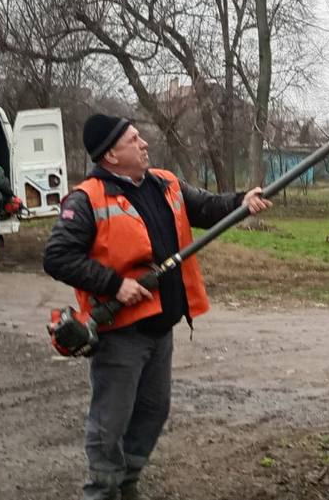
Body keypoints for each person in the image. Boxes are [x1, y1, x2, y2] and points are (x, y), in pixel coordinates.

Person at [42, 113, 272, 500]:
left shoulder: (165, 183)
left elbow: (207, 207)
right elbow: (57, 256)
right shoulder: (87, 199)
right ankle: (101, 491)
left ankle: (126, 483)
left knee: (153, 412)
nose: (144, 143)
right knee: (109, 423)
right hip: (120, 334)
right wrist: (115, 285)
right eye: (134, 140)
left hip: (159, 328)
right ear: (111, 155)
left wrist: (241, 203)